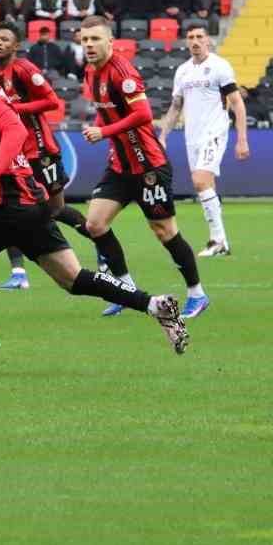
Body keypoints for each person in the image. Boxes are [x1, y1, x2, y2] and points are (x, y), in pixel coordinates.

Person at [0, 32, 187, 367]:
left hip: (9, 206)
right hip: (31, 202)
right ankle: (155, 305)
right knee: (73, 278)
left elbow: (16, 133)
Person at [78, 16, 207, 320]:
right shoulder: (90, 73)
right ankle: (125, 289)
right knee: (95, 224)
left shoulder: (124, 72)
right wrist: (100, 128)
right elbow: (106, 112)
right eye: (84, 40)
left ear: (110, 41)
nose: (89, 45)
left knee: (164, 231)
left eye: (95, 39)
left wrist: (104, 133)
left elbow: (143, 115)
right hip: (120, 166)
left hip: (149, 165)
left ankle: (197, 293)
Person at [0, 22, 115, 290]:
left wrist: (15, 107)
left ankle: (102, 248)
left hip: (41, 152)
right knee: (10, 210)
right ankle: (19, 273)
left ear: (16, 45)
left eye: (4, 39)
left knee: (56, 209)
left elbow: (51, 101)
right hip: (16, 154)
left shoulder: (24, 68)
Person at [158, 23, 249, 261]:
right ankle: (221, 242)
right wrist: (163, 136)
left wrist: (242, 139)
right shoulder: (183, 71)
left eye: (199, 36)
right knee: (207, 185)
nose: (195, 41)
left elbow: (237, 103)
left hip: (215, 132)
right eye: (191, 37)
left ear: (207, 40)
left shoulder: (220, 66)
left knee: (199, 181)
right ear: (186, 41)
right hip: (192, 137)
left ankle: (217, 241)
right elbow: (176, 106)